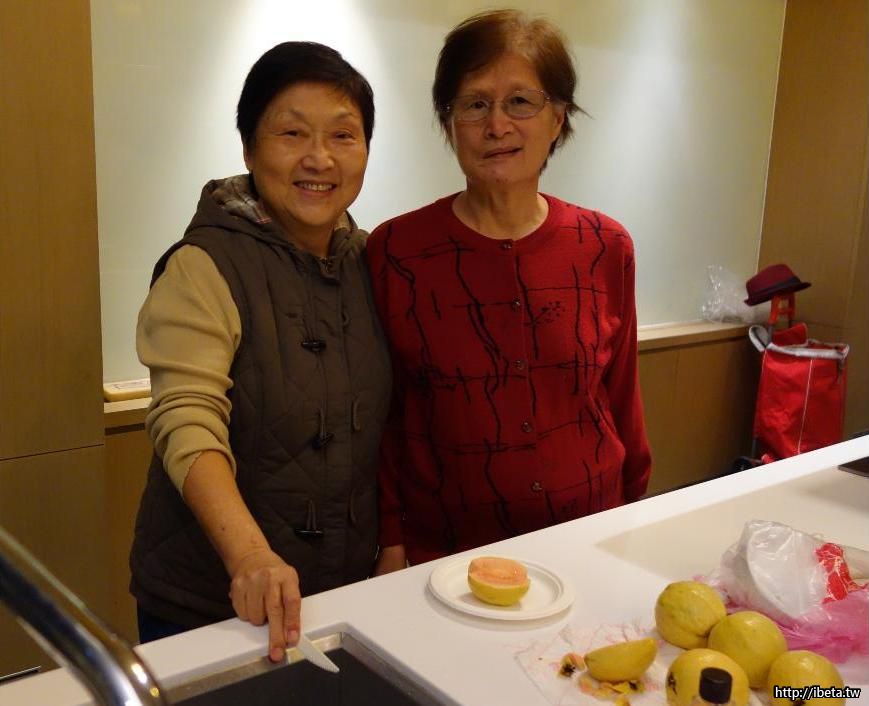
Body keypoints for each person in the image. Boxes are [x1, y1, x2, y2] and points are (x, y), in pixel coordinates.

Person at [129, 42, 391, 662]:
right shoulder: (204, 264)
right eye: (291, 133)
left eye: (343, 135)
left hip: (341, 593)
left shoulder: (371, 262)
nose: (319, 158)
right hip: (213, 606)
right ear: (249, 149)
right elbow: (186, 416)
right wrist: (249, 555)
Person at [368, 10, 651, 573]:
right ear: (449, 123)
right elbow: (387, 414)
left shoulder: (605, 245)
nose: (497, 125)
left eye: (520, 101)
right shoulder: (396, 252)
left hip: (588, 535)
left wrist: (632, 512)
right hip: (445, 556)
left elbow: (621, 396)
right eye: (474, 104)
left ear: (558, 118)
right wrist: (391, 540)